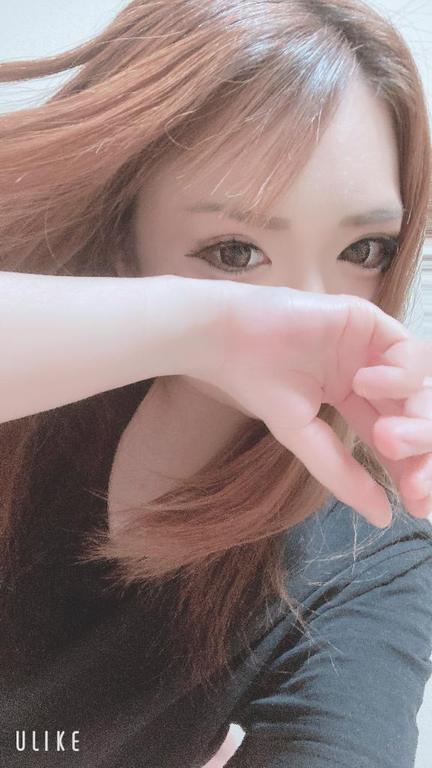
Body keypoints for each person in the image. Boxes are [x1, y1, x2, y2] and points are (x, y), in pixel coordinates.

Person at [0, 1, 431, 766]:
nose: (312, 313)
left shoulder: (362, 556)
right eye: (234, 251)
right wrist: (207, 326)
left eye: (363, 249)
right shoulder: (38, 393)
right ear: (125, 240)